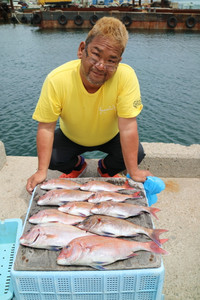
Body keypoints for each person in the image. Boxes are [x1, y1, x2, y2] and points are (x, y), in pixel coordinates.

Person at [26, 16, 153, 194]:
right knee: (53, 157)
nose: (101, 66)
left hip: (110, 136)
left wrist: (133, 172)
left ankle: (105, 169)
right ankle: (78, 166)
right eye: (95, 54)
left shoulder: (126, 77)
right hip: (72, 136)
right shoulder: (57, 79)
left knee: (136, 153)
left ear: (119, 62)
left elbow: (128, 128)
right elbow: (46, 127)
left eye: (111, 60)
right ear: (82, 49)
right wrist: (41, 171)